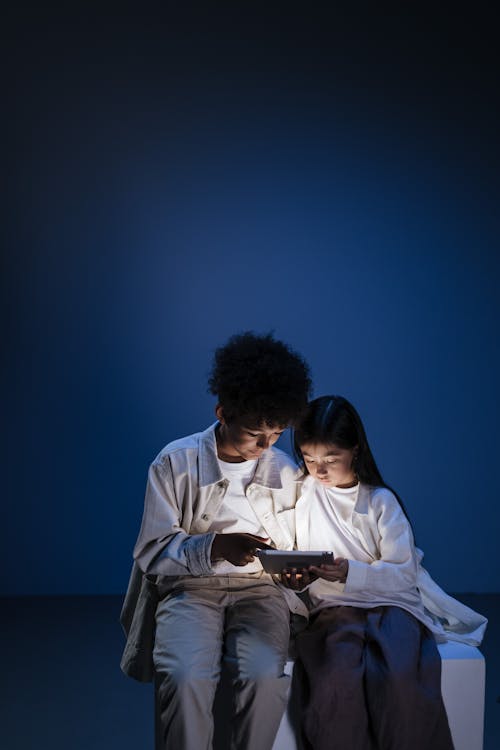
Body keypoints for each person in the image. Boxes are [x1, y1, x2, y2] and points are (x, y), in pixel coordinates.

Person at [120, 331, 312, 750]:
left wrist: (298, 575)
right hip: (189, 589)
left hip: (262, 590)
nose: (266, 446)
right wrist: (215, 547)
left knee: (263, 674)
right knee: (184, 674)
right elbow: (152, 550)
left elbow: (300, 544)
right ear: (223, 412)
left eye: (277, 434)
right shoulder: (175, 462)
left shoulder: (286, 471)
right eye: (255, 434)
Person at [281, 395, 487, 750]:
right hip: (333, 608)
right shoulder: (302, 493)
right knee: (334, 679)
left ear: (355, 450)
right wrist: (301, 576)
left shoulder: (380, 501)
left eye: (332, 458)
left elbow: (403, 573)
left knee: (398, 678)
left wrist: (351, 572)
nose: (320, 470)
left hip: (391, 605)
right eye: (310, 459)